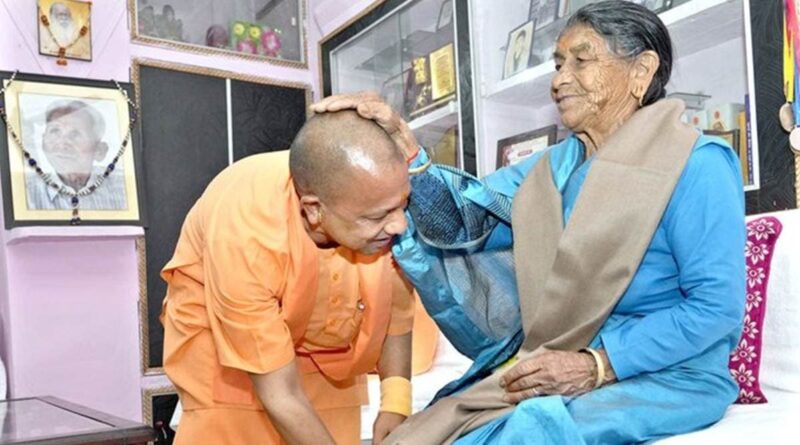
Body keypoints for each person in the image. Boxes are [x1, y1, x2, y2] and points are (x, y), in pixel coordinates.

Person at [312, 1, 746, 443]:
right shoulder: (550, 170)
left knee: (528, 431)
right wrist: (407, 150)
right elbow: (465, 220)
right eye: (558, 64)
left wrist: (597, 364)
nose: (558, 80)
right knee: (428, 431)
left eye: (582, 59)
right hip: (555, 358)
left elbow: (715, 307)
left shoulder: (697, 165)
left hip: (670, 374)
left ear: (641, 70)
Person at [160, 110, 418, 444]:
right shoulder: (247, 231)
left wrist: (396, 403)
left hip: (331, 362)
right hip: (234, 365)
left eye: (402, 205)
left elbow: (395, 306)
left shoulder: (371, 202)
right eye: (379, 216)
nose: (399, 225)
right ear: (313, 210)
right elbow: (280, 394)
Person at [25, 100, 127, 210]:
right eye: (55, 131)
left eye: (75, 134)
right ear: (43, 140)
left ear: (99, 150)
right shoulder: (24, 192)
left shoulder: (124, 188)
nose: (62, 143)